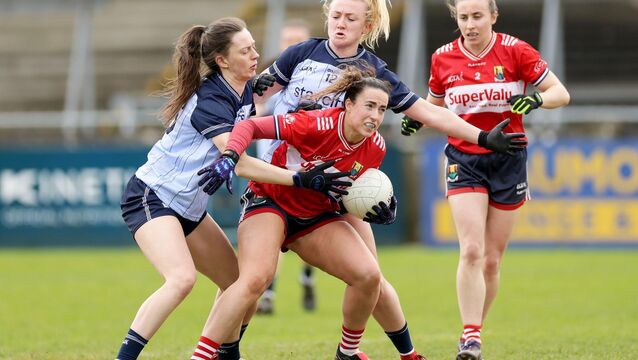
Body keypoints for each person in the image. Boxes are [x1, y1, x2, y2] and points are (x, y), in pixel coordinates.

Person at [248, 0, 524, 358]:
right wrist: (233, 118)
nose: (340, 24)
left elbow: (427, 112)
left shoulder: (373, 72)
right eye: (335, 16)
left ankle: (390, 353)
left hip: (334, 190)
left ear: (367, 26)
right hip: (281, 183)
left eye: (350, 18)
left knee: (371, 276)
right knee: (251, 281)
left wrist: (482, 137)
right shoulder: (301, 53)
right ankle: (222, 347)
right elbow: (253, 98)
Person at [114, 17, 339, 360]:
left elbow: (274, 108)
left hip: (188, 208)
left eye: (254, 47)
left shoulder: (245, 87)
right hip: (152, 195)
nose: (255, 55)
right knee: (181, 279)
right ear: (222, 60)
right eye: (245, 50)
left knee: (241, 286)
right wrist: (300, 178)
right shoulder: (212, 100)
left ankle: (223, 355)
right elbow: (241, 162)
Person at [195, 66, 407, 360]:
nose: (375, 115)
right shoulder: (314, 123)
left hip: (314, 219)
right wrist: (231, 155)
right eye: (369, 106)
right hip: (270, 202)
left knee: (369, 275)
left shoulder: (376, 148)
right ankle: (206, 355)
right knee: (255, 279)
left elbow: (346, 195)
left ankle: (347, 353)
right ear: (348, 105)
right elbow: (250, 127)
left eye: (382, 109)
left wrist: (377, 209)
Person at [400, 1, 570, 359]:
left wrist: (536, 98)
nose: (470, 24)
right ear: (456, 19)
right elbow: (436, 105)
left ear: (493, 16)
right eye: (463, 17)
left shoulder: (516, 50)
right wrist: (419, 118)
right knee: (472, 249)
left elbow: (561, 93)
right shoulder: (442, 57)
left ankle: (474, 330)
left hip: (509, 159)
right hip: (464, 161)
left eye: (477, 16)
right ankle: (471, 337)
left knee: (492, 260)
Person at [253, 18, 317, 315]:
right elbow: (251, 109)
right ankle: (268, 293)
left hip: (307, 164)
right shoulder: (270, 73)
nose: (292, 46)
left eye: (298, 40)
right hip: (269, 165)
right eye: (287, 41)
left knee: (310, 227)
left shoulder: (318, 75)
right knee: (273, 234)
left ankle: (306, 276)